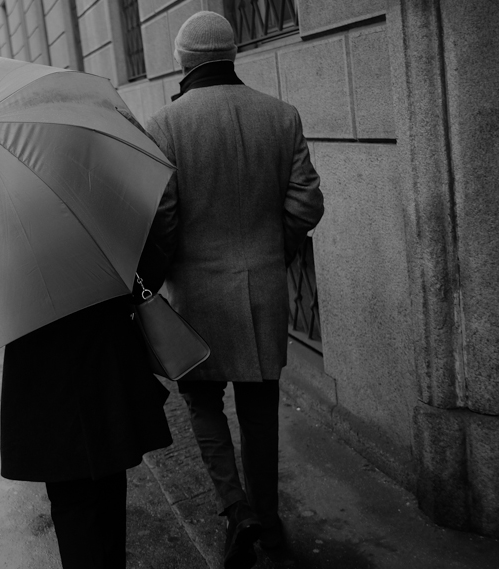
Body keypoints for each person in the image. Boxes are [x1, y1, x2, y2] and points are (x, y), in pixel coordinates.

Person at [145, 11, 325, 569]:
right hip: (264, 292)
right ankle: (269, 526)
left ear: (183, 60)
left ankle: (236, 509)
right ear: (231, 54)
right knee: (260, 409)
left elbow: (164, 218)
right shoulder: (281, 115)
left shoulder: (164, 125)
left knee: (203, 403)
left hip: (196, 296)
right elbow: (306, 203)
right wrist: (274, 254)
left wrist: (162, 277)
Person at [0, 209, 173, 566]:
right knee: (109, 491)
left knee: (72, 503)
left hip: (43, 381)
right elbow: (150, 271)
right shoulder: (90, 197)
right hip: (103, 364)